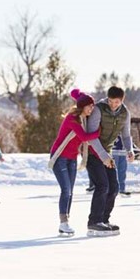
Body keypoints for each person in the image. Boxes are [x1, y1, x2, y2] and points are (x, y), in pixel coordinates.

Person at [85, 86, 135, 236]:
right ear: (107, 98)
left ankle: (104, 220)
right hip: (93, 151)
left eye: (117, 102)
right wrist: (104, 156)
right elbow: (91, 136)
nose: (113, 105)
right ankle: (94, 221)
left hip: (106, 152)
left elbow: (126, 135)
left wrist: (129, 150)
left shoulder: (125, 113)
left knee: (114, 187)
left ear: (122, 100)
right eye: (111, 101)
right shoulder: (99, 109)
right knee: (102, 185)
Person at [50, 89, 99, 236]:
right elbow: (84, 137)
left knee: (70, 192)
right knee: (66, 190)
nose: (92, 109)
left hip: (71, 158)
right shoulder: (72, 118)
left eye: (93, 106)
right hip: (60, 157)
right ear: (82, 107)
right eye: (89, 106)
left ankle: (65, 223)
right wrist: (99, 132)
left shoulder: (84, 119)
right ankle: (63, 223)